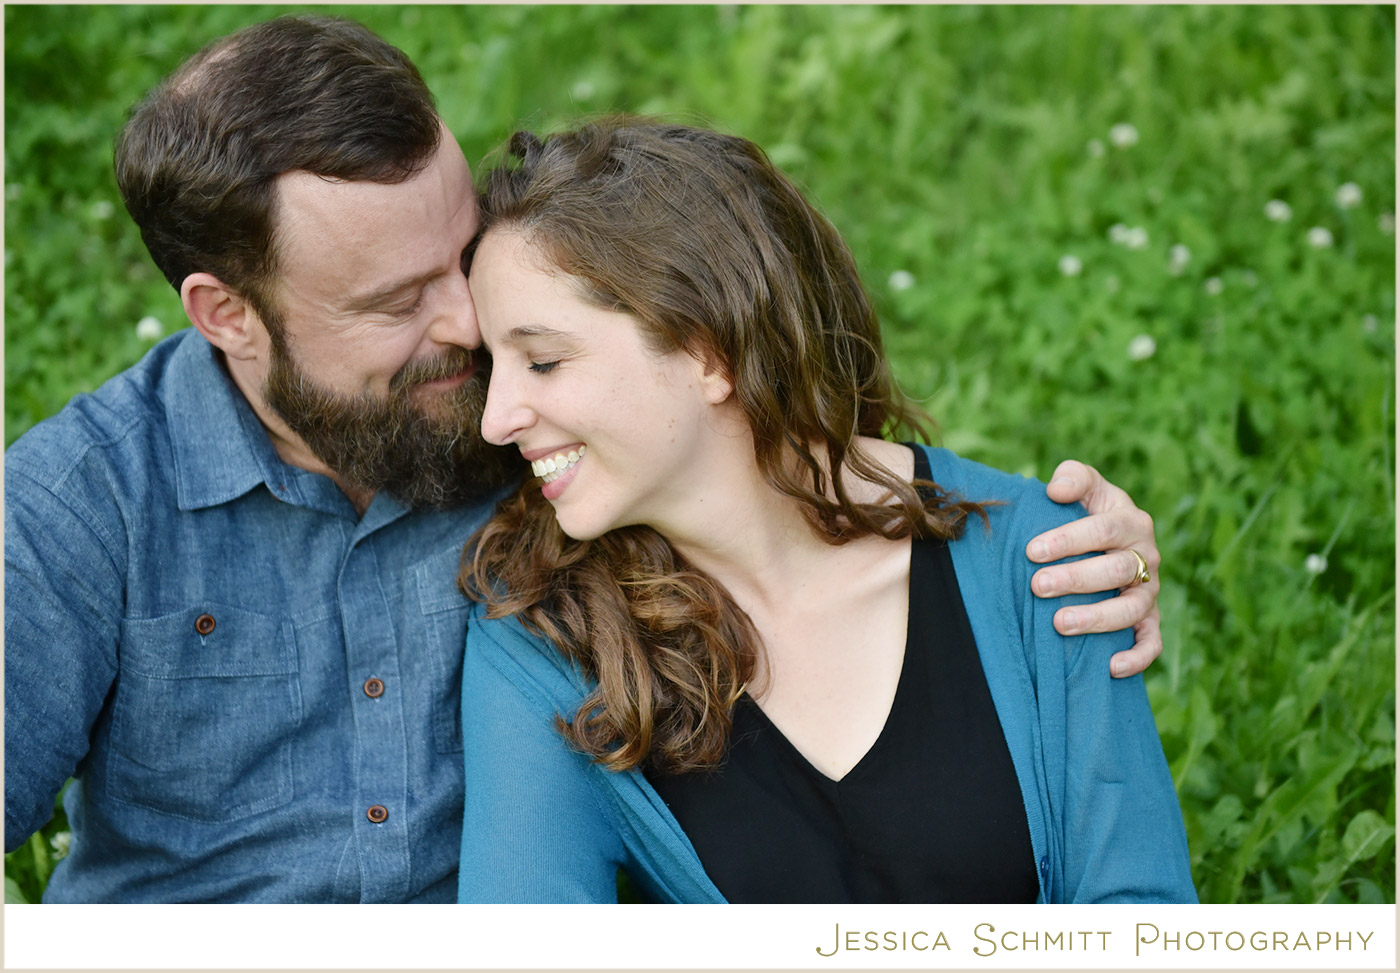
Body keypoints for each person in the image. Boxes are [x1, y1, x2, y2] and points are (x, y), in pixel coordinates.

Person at [5, 16, 1163, 903]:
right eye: (396, 300)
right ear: (227, 313)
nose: (466, 326)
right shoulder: (82, 509)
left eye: (458, 255)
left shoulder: (545, 444)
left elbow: (727, 425)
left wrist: (1036, 542)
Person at [456, 118, 1195, 903]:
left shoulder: (1045, 557)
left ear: (708, 350)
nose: (495, 419)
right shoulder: (547, 642)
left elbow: (1138, 912)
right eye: (490, 368)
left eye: (542, 360)